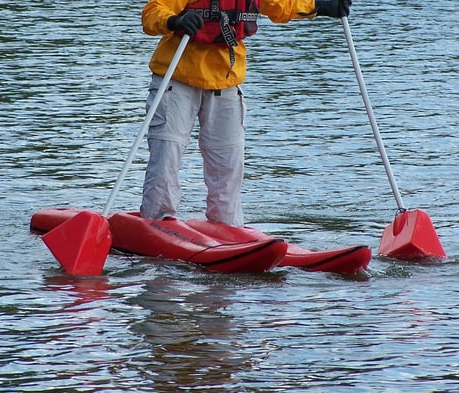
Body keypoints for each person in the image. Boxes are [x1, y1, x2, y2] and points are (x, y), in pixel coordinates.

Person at [140, 0, 352, 226]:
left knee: (228, 166)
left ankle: (227, 228)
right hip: (177, 80)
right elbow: (152, 13)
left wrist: (319, 5)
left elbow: (283, 5)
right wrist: (174, 20)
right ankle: (156, 223)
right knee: (166, 158)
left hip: (226, 81)